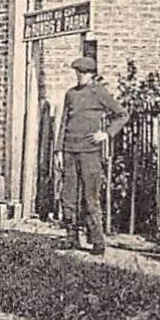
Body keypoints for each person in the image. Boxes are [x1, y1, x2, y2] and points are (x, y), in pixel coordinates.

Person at [58, 55, 127, 254]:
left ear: (92, 74)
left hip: (90, 153)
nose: (80, 76)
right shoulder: (70, 94)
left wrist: (105, 134)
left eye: (85, 73)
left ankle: (97, 241)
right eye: (78, 72)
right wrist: (58, 151)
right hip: (70, 151)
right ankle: (71, 237)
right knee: (68, 197)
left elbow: (122, 115)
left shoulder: (99, 93)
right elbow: (64, 123)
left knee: (91, 198)